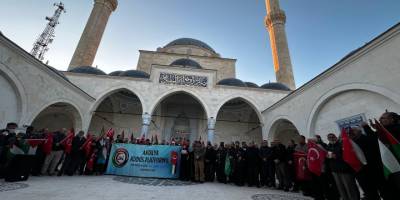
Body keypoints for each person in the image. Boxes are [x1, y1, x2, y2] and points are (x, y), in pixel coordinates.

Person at [326, 133, 359, 200]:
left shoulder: (341, 144)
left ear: (335, 137)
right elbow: (328, 158)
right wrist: (327, 157)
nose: (331, 138)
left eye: (332, 137)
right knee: (340, 187)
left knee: (349, 187)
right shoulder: (328, 146)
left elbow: (347, 155)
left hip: (344, 169)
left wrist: (337, 156)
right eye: (329, 137)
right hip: (335, 170)